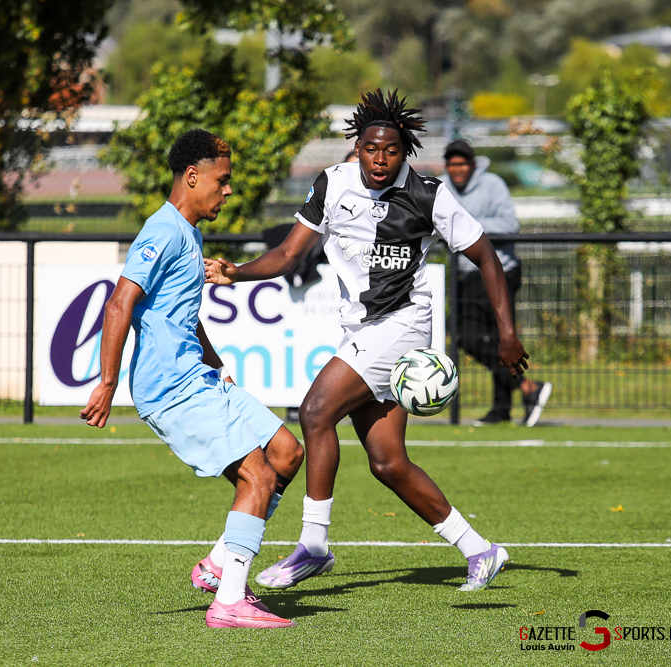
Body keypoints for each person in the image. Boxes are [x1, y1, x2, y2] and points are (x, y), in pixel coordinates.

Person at [205, 89, 529, 593]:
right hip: (361, 328)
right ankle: (480, 550)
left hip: (401, 327)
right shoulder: (331, 185)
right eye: (371, 148)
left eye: (392, 151)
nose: (380, 160)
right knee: (387, 462)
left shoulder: (427, 194)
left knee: (314, 412)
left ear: (405, 152)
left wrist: (507, 332)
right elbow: (290, 256)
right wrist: (236, 272)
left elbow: (485, 255)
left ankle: (313, 545)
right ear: (357, 146)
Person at [80, 129, 305, 628]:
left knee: (287, 452)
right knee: (258, 475)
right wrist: (107, 381)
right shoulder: (161, 231)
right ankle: (229, 601)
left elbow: (180, 311)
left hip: (199, 377)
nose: (228, 191)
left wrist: (214, 360)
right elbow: (120, 303)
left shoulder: (190, 232)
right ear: (192, 176)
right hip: (171, 387)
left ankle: (221, 563)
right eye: (222, 181)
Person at [441, 139, 552, 427]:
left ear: (473, 164)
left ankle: (507, 404)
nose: (457, 169)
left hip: (500, 270)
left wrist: (467, 225)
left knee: (492, 337)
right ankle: (522, 392)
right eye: (452, 164)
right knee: (469, 337)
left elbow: (510, 224)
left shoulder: (493, 184)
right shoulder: (440, 187)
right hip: (465, 273)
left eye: (462, 163)